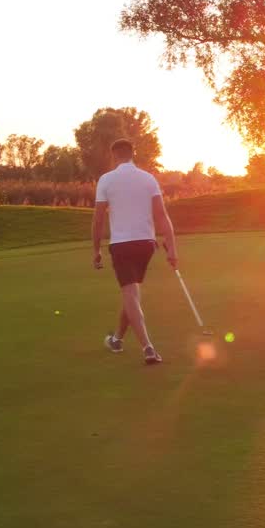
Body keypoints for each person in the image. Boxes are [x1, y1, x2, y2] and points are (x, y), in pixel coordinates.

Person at [91, 138, 178, 365]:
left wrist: (96, 250)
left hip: (121, 245)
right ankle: (117, 340)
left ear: (114, 156)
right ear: (133, 153)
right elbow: (162, 215)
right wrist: (172, 247)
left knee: (130, 293)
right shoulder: (148, 179)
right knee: (132, 293)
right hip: (146, 245)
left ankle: (148, 347)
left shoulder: (106, 180)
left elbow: (98, 219)